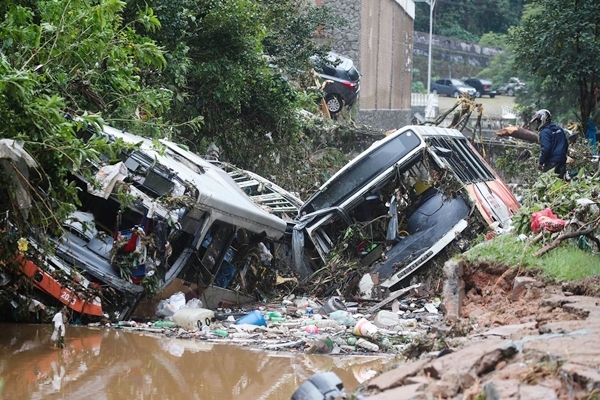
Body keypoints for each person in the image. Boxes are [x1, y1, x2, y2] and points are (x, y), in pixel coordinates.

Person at [530, 109, 568, 178]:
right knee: (560, 183)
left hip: (552, 162)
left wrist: (541, 162)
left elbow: (546, 149)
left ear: (544, 119)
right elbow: (566, 144)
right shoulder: (559, 129)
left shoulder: (544, 132)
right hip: (562, 161)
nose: (538, 123)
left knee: (547, 183)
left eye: (539, 121)